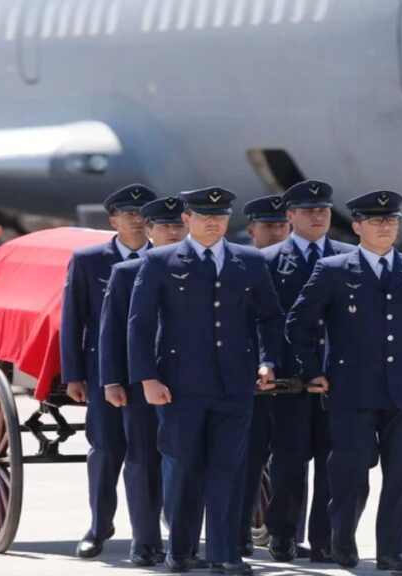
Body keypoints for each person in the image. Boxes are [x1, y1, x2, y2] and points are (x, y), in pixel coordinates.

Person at [286, 190, 402, 573]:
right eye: (376, 221)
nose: (385, 227)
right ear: (358, 226)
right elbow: (298, 323)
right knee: (349, 471)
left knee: (401, 474)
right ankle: (341, 538)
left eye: (391, 220)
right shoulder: (333, 269)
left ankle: (393, 550)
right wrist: (312, 369)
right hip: (349, 389)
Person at [128, 186, 283, 575]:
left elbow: (269, 316)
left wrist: (268, 361)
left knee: (229, 469)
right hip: (181, 386)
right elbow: (141, 324)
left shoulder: (248, 261)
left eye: (220, 215)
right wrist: (147, 377)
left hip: (235, 384)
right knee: (183, 468)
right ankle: (180, 550)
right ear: (187, 220)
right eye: (204, 215)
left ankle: (224, 552)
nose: (213, 221)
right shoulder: (161, 261)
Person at [260, 181, 355, 563]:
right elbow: (264, 320)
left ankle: (325, 539)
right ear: (290, 217)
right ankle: (282, 533)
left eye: (323, 210)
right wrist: (266, 361)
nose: (318, 216)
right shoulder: (267, 261)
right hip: (290, 380)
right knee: (288, 461)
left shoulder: (351, 256)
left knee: (335, 464)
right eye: (308, 211)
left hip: (338, 378)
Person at [60, 183, 156, 558]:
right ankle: (99, 525)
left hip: (153, 372)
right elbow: (73, 320)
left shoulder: (164, 256)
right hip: (104, 370)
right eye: (129, 213)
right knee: (107, 449)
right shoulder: (88, 260)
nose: (137, 219)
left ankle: (148, 532)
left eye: (143, 213)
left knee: (150, 453)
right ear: (113, 220)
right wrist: (73, 374)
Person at [98, 195, 193, 566]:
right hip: (140, 383)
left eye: (177, 225)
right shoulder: (128, 271)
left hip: (191, 382)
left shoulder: (201, 267)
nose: (172, 231)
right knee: (142, 460)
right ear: (149, 230)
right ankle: (145, 539)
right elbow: (112, 331)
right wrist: (112, 381)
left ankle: (182, 540)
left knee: (186, 462)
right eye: (163, 226)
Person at [237, 194, 290, 558]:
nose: (275, 232)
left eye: (280, 225)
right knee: (249, 458)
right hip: (253, 378)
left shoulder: (302, 263)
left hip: (295, 380)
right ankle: (241, 530)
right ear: (251, 230)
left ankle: (285, 532)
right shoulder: (240, 265)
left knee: (288, 460)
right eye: (267, 226)